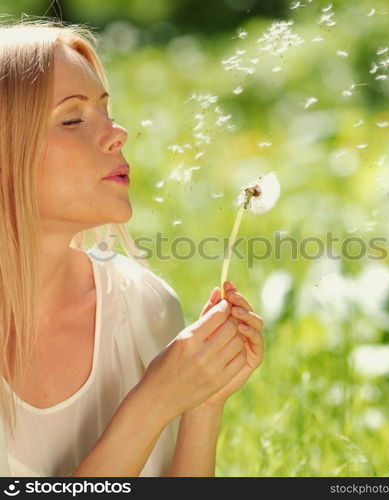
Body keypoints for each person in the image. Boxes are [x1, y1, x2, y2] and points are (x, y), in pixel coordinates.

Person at [0, 18, 264, 477]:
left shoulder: (142, 305)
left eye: (106, 110)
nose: (117, 133)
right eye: (72, 118)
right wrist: (154, 401)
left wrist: (202, 402)